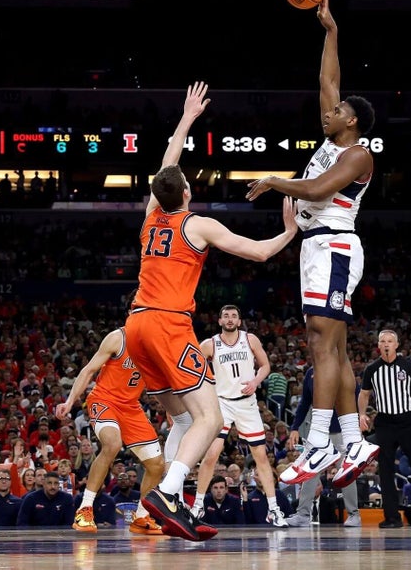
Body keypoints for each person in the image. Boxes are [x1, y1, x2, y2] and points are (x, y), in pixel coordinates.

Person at [129, 81, 301, 542]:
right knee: (210, 418)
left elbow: (167, 162)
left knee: (183, 419)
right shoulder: (197, 223)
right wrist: (288, 232)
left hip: (135, 325)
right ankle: (166, 494)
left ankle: (172, 501)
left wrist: (186, 118)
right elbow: (260, 253)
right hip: (167, 324)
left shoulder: (151, 214)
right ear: (186, 191)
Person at [245, 0, 380, 490]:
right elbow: (327, 79)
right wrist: (331, 32)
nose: (330, 110)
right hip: (316, 246)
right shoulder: (331, 139)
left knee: (324, 346)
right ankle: (354, 439)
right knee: (333, 350)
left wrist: (278, 181)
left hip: (336, 246)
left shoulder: (359, 155)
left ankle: (319, 441)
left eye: (340, 110)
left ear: (353, 122)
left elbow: (321, 189)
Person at [55, 317, 164, 536]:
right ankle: (85, 509)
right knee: (113, 444)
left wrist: (173, 413)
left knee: (156, 464)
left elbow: (164, 384)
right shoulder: (117, 338)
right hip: (104, 400)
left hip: (131, 407)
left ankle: (141, 517)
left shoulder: (158, 344)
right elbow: (88, 371)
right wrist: (70, 401)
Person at [190, 304, 287, 527]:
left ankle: (273, 508)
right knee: (211, 456)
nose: (230, 319)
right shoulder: (209, 344)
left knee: (261, 457)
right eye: (226, 316)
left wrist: (255, 381)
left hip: (247, 404)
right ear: (220, 321)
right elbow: (192, 369)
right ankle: (197, 506)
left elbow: (265, 366)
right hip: (222, 403)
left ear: (239, 321)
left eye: (234, 316)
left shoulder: (250, 339)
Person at [357, 329, 411, 528]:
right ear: (378, 345)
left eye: (390, 341)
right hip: (385, 423)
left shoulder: (408, 366)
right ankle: (392, 518)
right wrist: (362, 414)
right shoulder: (372, 369)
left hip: (407, 422)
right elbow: (363, 394)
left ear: (397, 345)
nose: (386, 344)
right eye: (383, 341)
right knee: (386, 470)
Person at [285, 366, 360, 528]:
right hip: (319, 432)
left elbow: (357, 395)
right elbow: (305, 402)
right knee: (310, 472)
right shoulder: (311, 373)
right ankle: (303, 514)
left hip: (341, 431)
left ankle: (354, 514)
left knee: (346, 472)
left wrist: (358, 419)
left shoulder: (343, 368)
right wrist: (295, 427)